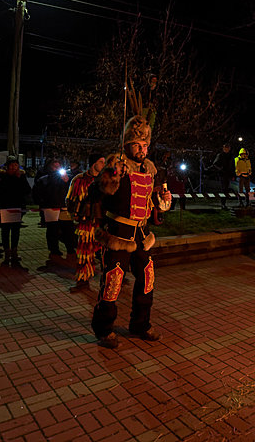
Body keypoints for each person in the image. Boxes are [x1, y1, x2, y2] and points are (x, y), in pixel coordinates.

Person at [89, 116, 172, 349]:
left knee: (147, 278)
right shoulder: (117, 165)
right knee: (113, 281)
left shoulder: (150, 169)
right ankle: (104, 329)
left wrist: (162, 200)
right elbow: (96, 194)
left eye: (145, 145)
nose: (142, 149)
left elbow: (151, 202)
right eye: (137, 144)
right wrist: (110, 176)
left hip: (142, 235)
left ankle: (140, 324)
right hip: (118, 233)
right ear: (127, 144)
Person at [65, 153, 105, 292]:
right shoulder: (79, 180)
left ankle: (111, 281)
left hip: (103, 224)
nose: (104, 165)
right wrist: (75, 215)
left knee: (106, 254)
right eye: (101, 162)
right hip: (86, 223)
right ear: (94, 163)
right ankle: (83, 282)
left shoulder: (106, 180)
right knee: (84, 253)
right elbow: (70, 200)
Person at [33, 159, 75, 259]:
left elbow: (72, 191)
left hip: (64, 208)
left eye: (58, 167)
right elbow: (37, 193)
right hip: (51, 208)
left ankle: (70, 248)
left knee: (68, 229)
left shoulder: (67, 178)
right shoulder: (44, 179)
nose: (56, 169)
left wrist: (66, 181)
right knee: (52, 230)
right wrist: (43, 204)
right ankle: (54, 249)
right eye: (54, 167)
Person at [0, 157, 31, 270]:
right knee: (5, 231)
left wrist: (20, 178)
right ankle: (7, 254)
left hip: (17, 207)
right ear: (7, 166)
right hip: (5, 207)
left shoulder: (21, 176)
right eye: (11, 165)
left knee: (16, 230)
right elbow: (1, 190)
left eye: (15, 165)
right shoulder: (2, 176)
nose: (13, 167)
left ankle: (14, 253)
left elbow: (27, 190)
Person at [211, 143, 235, 209]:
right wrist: (220, 169)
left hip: (228, 174)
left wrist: (233, 174)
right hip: (222, 174)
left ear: (229, 149)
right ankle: (223, 204)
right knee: (223, 189)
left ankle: (224, 203)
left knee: (226, 189)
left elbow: (233, 165)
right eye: (225, 148)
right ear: (223, 148)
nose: (226, 149)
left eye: (227, 148)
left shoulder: (231, 156)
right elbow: (214, 164)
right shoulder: (220, 155)